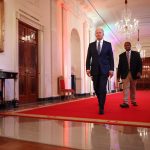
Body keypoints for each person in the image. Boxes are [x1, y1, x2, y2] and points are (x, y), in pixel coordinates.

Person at [86, 27, 114, 114]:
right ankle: (100, 99)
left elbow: (111, 58)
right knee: (96, 88)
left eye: (100, 32)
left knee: (102, 88)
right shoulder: (91, 45)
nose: (98, 34)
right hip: (94, 70)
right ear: (95, 34)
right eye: (97, 33)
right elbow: (88, 58)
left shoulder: (108, 44)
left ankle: (101, 107)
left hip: (104, 70)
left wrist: (111, 69)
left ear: (103, 34)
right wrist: (87, 68)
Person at [117, 41, 142, 108]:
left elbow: (140, 64)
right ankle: (125, 102)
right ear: (124, 47)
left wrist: (139, 72)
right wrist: (118, 76)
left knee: (133, 88)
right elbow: (119, 66)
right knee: (125, 88)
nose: (126, 46)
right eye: (125, 45)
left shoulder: (136, 54)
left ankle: (133, 101)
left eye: (128, 45)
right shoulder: (121, 55)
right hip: (125, 74)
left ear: (130, 46)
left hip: (134, 74)